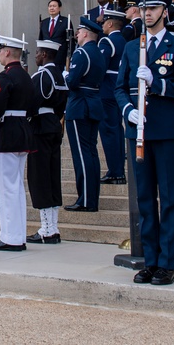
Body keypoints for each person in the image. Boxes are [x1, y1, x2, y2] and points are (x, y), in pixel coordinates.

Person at [115, 0, 174, 286]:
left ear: (165, 11)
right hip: (137, 130)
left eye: (152, 8)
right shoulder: (130, 47)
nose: (146, 13)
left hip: (164, 130)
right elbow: (119, 87)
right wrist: (127, 110)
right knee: (145, 198)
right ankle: (150, 261)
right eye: (142, 8)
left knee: (170, 198)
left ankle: (168, 264)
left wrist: (160, 85)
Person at [0, 35, 36, 252]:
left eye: (1, 50)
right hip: (23, 131)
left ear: (7, 52)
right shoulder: (27, 77)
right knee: (16, 187)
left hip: (6, 134)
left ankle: (10, 238)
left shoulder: (4, 77)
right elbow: (33, 108)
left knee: (6, 188)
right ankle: (17, 235)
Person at [64, 16, 107, 212]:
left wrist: (66, 77)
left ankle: (86, 199)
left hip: (80, 104)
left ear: (87, 34)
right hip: (93, 102)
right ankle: (91, 198)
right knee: (90, 153)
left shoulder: (82, 53)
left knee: (81, 154)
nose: (77, 34)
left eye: (80, 31)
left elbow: (72, 81)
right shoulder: (98, 53)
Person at [27, 40, 67, 244]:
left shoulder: (41, 75)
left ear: (44, 55)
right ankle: (53, 227)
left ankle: (46, 229)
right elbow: (61, 104)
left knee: (39, 176)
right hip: (54, 125)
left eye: (37, 53)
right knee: (52, 176)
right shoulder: (60, 75)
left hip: (40, 127)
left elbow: (31, 103)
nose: (35, 56)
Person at [97, 9, 127, 185]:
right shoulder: (123, 40)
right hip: (118, 89)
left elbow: (101, 67)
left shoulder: (107, 42)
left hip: (107, 90)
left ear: (109, 24)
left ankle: (115, 171)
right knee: (117, 129)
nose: (102, 25)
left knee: (109, 131)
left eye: (104, 22)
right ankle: (118, 169)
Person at [38, 0, 72, 68]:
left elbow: (70, 40)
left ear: (59, 8)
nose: (52, 8)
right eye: (50, 6)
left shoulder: (65, 21)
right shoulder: (44, 22)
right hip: (46, 59)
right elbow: (40, 39)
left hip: (60, 58)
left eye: (54, 6)